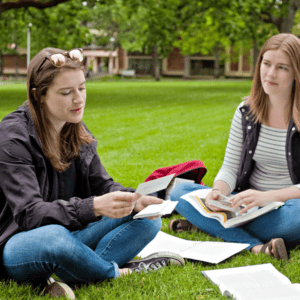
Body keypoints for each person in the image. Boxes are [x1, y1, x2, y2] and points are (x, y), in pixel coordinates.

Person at [0, 47, 184, 299]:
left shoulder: (75, 127)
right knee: (55, 238)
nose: (79, 99)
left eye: (82, 88)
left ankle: (72, 273)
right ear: (38, 95)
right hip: (21, 244)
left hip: (71, 235)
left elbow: (103, 184)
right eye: (66, 92)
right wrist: (94, 207)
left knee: (148, 220)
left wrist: (132, 199)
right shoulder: (12, 136)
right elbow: (29, 214)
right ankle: (113, 272)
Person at [170, 33, 300, 261]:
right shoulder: (246, 112)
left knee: (296, 219)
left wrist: (267, 197)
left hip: (286, 206)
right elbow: (230, 167)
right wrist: (218, 192)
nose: (270, 74)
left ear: (297, 73)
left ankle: (209, 224)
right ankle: (255, 246)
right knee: (180, 192)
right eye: (266, 64)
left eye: (282, 68)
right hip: (244, 203)